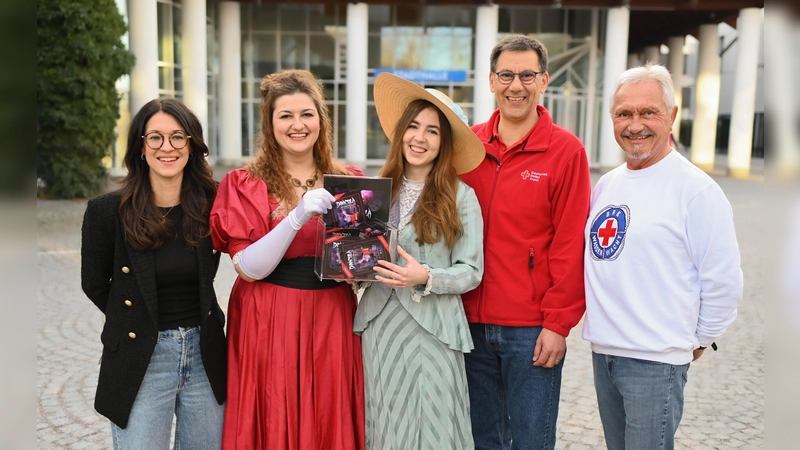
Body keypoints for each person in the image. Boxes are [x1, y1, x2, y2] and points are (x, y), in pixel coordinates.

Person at [582, 63, 743, 450]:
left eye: (647, 112)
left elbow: (723, 281)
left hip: (655, 362)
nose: (635, 124)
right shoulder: (607, 184)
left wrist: (697, 338)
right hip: (604, 352)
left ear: (671, 116)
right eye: (624, 114)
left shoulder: (695, 190)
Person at [210, 69, 365, 449]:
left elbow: (360, 264)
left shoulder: (348, 180)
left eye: (307, 114)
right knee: (273, 410)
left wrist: (361, 272)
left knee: (328, 414)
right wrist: (296, 217)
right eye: (286, 115)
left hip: (332, 317)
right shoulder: (244, 183)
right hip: (268, 314)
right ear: (270, 122)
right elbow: (249, 267)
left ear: (321, 120)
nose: (298, 125)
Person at [458, 34, 592, 449]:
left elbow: (571, 244)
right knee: (481, 438)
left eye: (527, 75)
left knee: (531, 439)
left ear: (544, 80)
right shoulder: (467, 146)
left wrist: (557, 324)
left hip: (530, 330)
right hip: (468, 323)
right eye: (507, 75)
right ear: (492, 81)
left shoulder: (567, 152)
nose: (517, 85)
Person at [81, 98, 226, 449]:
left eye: (178, 137)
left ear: (192, 146)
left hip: (204, 352)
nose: (167, 147)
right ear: (140, 147)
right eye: (155, 138)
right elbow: (95, 284)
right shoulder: (107, 212)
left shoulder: (213, 203)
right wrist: (135, 319)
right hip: (141, 357)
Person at [353, 73, 485, 449]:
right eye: (413, 126)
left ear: (443, 143)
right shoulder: (378, 190)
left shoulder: (461, 196)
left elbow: (471, 271)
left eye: (432, 131)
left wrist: (424, 275)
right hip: (380, 325)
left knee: (435, 427)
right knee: (385, 423)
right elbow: (365, 257)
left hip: (434, 329)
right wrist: (351, 273)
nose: (419, 138)